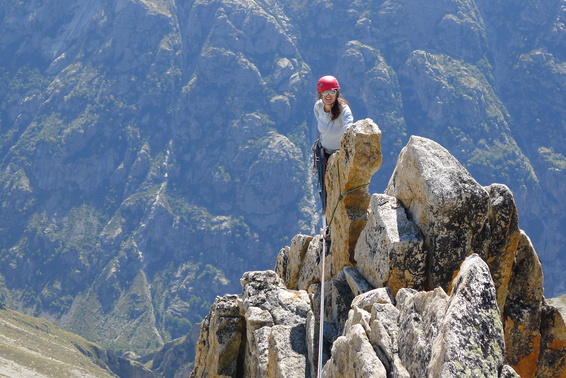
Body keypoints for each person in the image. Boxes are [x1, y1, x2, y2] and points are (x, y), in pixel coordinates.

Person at [312, 75, 354, 225]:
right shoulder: (318, 106)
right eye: (324, 92)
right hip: (324, 154)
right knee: (325, 190)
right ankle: (328, 221)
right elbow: (321, 126)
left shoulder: (344, 109)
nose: (328, 95)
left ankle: (339, 221)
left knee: (340, 189)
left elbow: (349, 125)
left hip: (338, 155)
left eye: (331, 91)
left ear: (337, 93)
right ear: (320, 94)